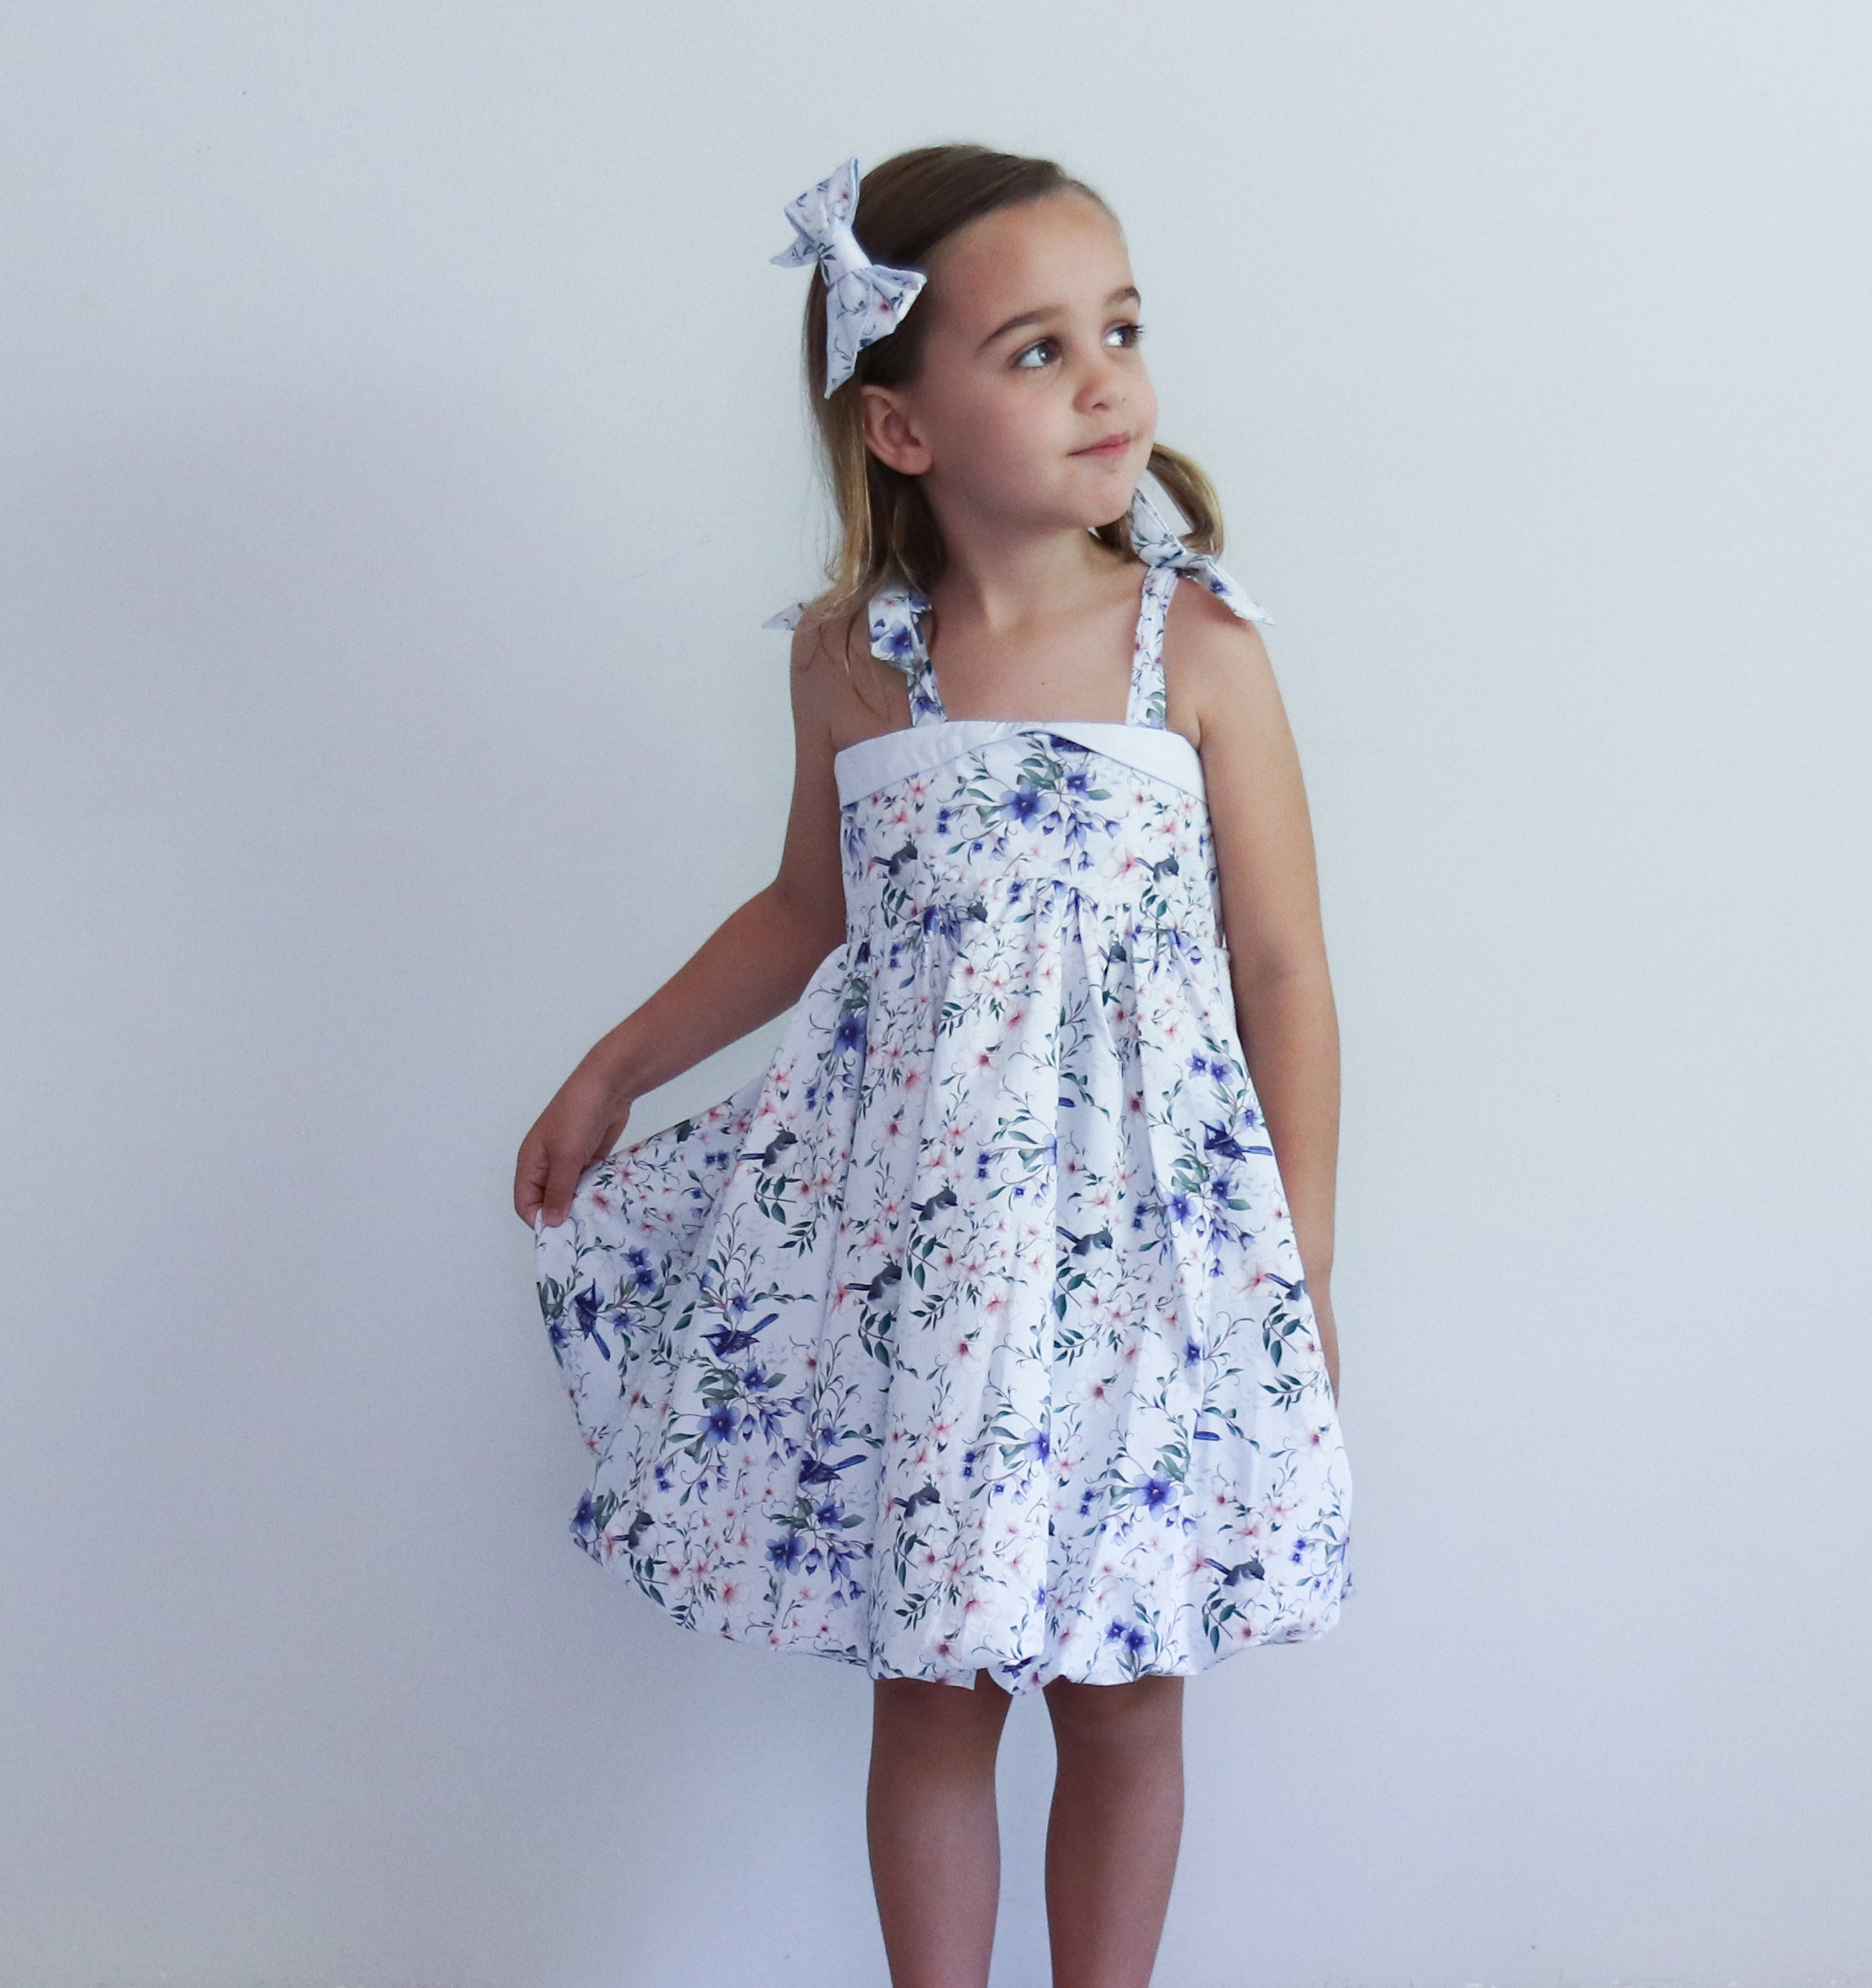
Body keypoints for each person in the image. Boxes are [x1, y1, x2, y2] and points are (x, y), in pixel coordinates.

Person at [514, 145, 1354, 1988]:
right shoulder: (852, 667)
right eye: (1040, 350)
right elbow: (803, 910)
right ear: (901, 427)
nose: (1111, 380)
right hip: (926, 1268)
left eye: (1120, 329)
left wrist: (1292, 1266)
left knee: (1127, 1696)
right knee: (938, 1691)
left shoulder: (1189, 654)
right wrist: (614, 1068)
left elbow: (1283, 969)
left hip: (1144, 1260)